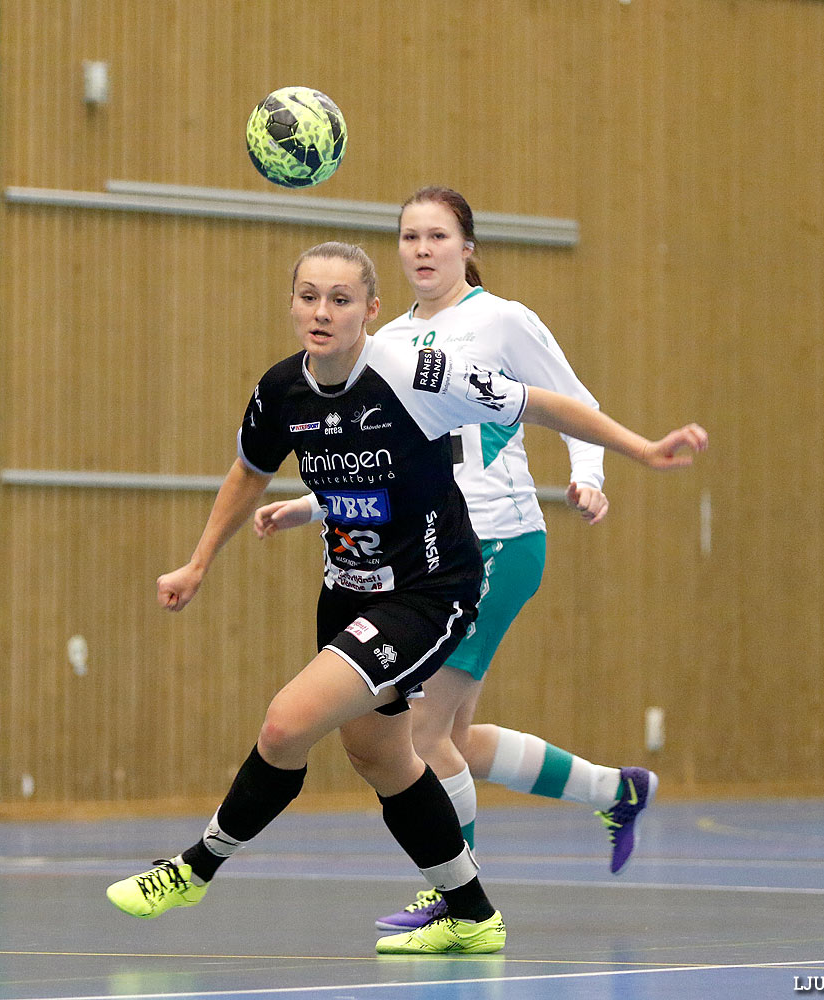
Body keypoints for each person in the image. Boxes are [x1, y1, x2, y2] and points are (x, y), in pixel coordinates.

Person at [105, 241, 706, 956]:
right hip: (347, 592)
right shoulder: (280, 391)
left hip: (429, 591)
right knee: (381, 755)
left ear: (371, 310)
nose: (321, 312)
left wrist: (638, 452)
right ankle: (471, 911)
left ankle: (193, 869)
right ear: (291, 302)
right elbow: (249, 471)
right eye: (308, 296)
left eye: (340, 299)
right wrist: (198, 562)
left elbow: (539, 403)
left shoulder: (415, 373)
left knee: (286, 723)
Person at [253, 188, 660, 935]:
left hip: (498, 540)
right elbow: (390, 465)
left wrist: (591, 476)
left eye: (438, 235)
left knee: (420, 733)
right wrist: (311, 505)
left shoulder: (500, 319)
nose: (422, 249)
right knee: (454, 736)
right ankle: (614, 788)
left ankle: (455, 897)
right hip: (433, 550)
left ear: (466, 245)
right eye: (409, 236)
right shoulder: (390, 340)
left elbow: (571, 400)